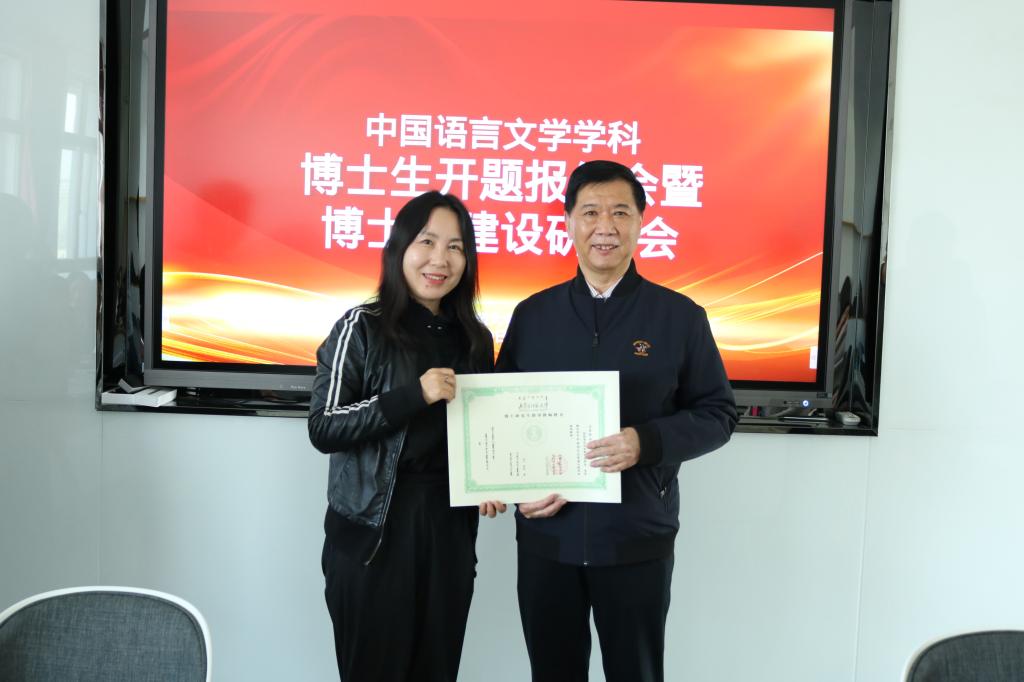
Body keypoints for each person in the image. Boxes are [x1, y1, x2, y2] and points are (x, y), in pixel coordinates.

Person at [496, 160, 738, 682]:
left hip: (636, 538)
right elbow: (501, 416)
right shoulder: (532, 316)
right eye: (590, 212)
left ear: (641, 222)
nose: (604, 226)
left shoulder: (679, 317)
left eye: (620, 212)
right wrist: (515, 487)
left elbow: (718, 414)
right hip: (548, 540)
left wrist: (644, 442)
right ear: (568, 222)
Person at [308, 190, 506, 681]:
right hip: (375, 532)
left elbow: (483, 430)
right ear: (399, 248)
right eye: (427, 242)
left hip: (448, 530)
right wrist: (411, 395)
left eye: (456, 247)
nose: (441, 259)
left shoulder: (475, 339)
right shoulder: (362, 326)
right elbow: (324, 425)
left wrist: (490, 479)